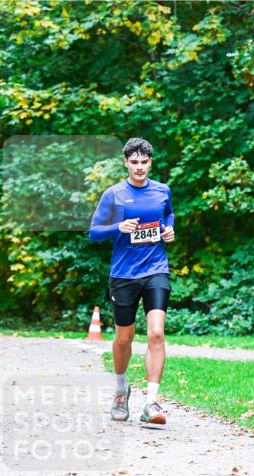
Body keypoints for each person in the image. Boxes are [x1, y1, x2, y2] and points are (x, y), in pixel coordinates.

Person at [89, 137, 176, 426]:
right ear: (126, 162)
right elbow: (94, 232)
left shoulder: (162, 191)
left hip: (156, 270)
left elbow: (168, 215)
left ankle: (151, 401)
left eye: (144, 162)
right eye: (134, 162)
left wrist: (169, 230)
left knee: (156, 333)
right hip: (124, 274)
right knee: (124, 337)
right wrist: (118, 227)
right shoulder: (113, 195)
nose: (140, 167)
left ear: (151, 162)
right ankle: (120, 389)